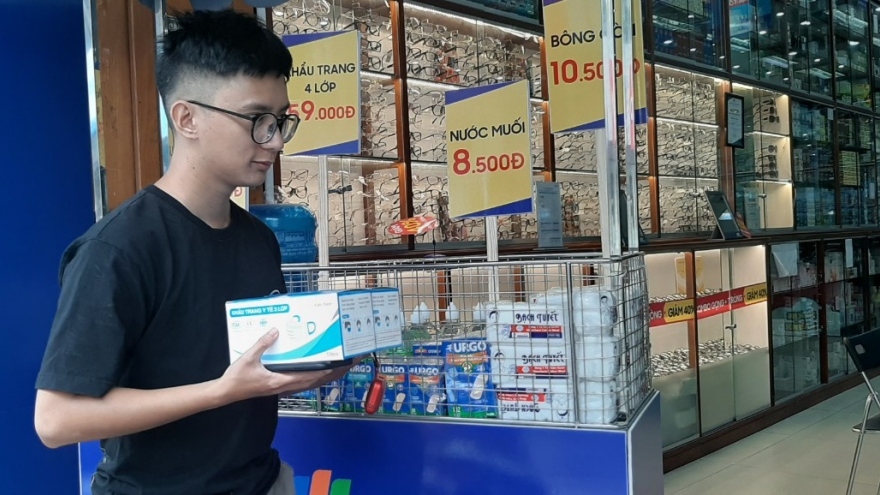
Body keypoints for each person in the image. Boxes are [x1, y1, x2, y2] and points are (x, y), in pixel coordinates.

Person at [34, 10, 350, 495]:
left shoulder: (258, 238)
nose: (274, 141)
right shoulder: (118, 249)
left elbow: (251, 365)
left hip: (262, 481)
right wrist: (220, 392)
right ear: (187, 118)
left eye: (281, 121)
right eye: (257, 121)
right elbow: (56, 420)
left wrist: (309, 364)